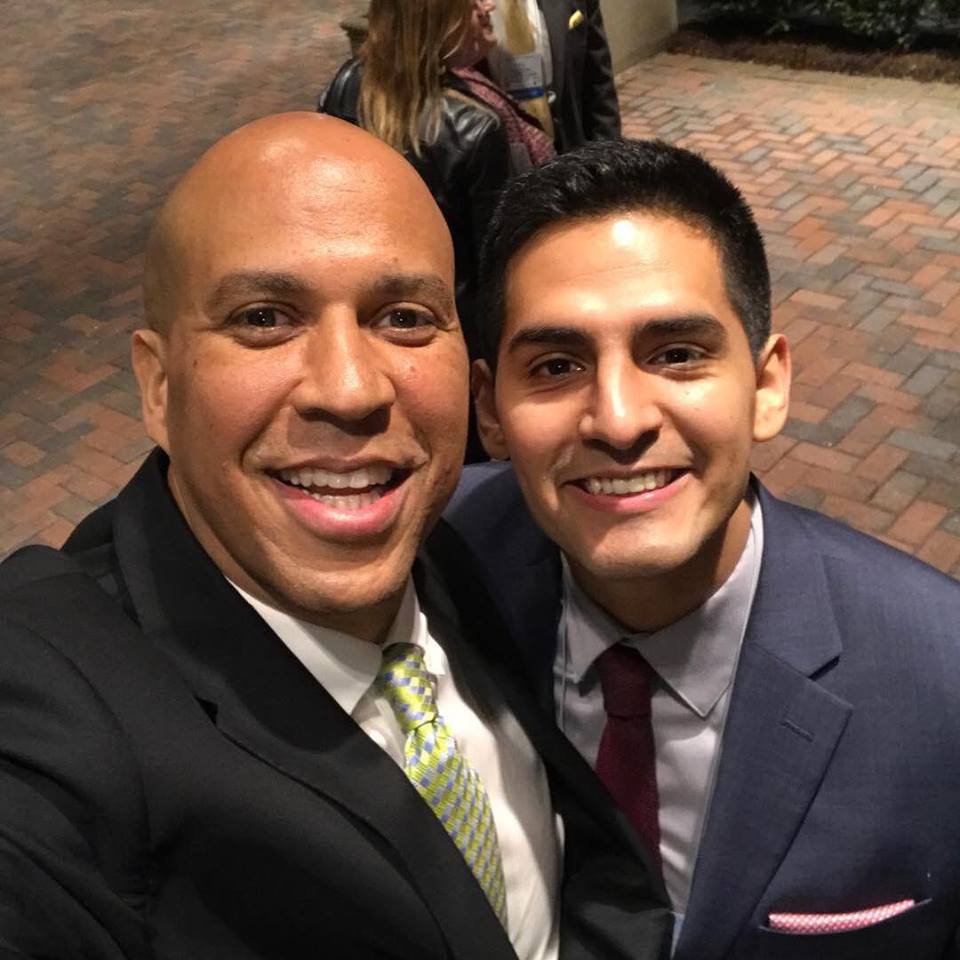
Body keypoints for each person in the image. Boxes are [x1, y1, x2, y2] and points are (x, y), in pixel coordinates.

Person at [0, 116, 671, 959]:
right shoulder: (49, 693)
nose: (351, 390)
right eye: (266, 317)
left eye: (402, 317)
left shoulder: (443, 536)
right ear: (159, 384)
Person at [445, 138, 960, 958]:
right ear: (491, 411)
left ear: (766, 386)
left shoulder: (941, 677)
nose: (617, 420)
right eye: (555, 364)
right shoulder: (439, 559)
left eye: (677, 354)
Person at [320, 0, 554, 367]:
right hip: (444, 326)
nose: (488, 5)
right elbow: (490, 263)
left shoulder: (348, 83)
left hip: (367, 304)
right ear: (440, 24)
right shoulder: (476, 127)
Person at [486, 0, 621, 152]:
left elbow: (599, 81)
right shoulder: (466, 7)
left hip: (570, 146)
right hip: (502, 154)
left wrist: (607, 155)